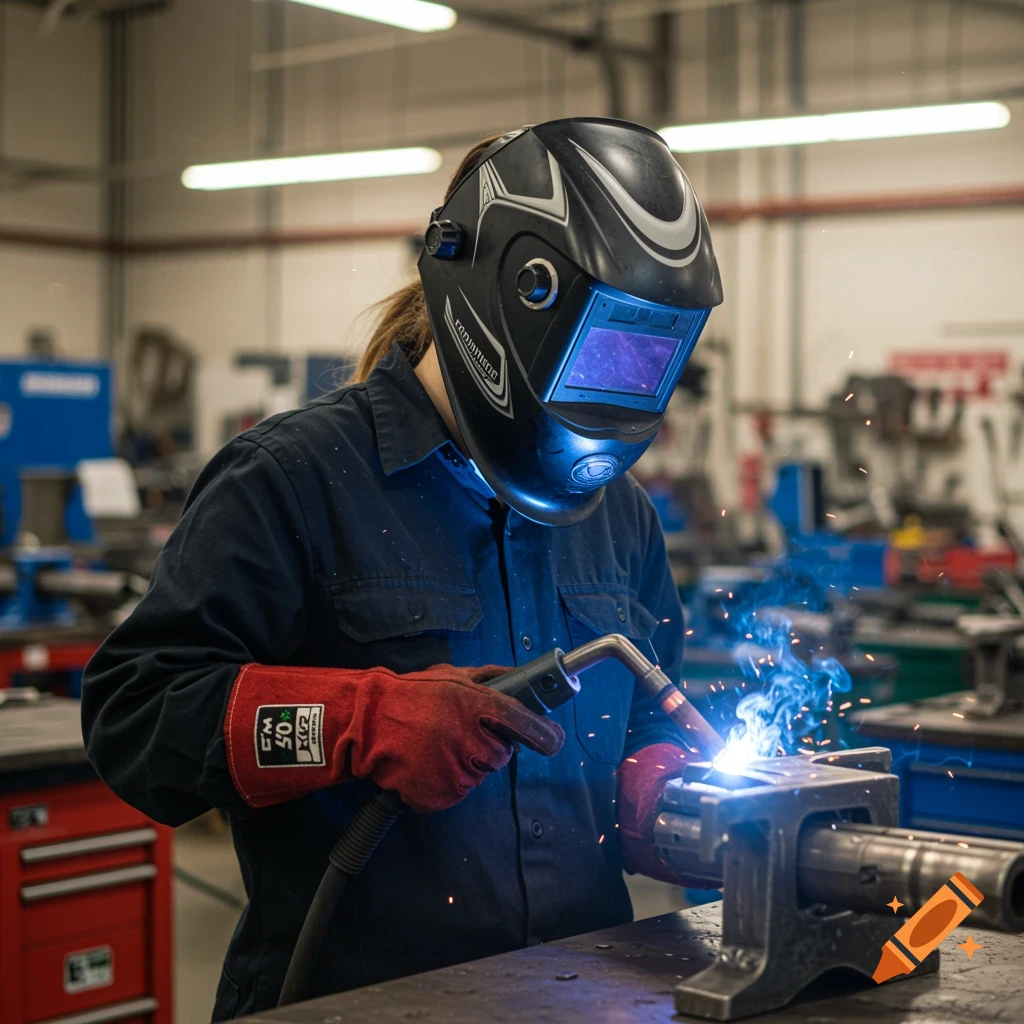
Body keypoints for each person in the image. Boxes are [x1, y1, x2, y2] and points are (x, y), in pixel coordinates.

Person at [81, 117, 724, 1020]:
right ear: (504, 296)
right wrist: (355, 720)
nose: (612, 388)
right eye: (600, 346)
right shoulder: (293, 477)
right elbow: (136, 720)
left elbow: (638, 734)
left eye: (645, 358)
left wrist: (666, 796)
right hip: (353, 998)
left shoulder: (617, 515)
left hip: (581, 995)